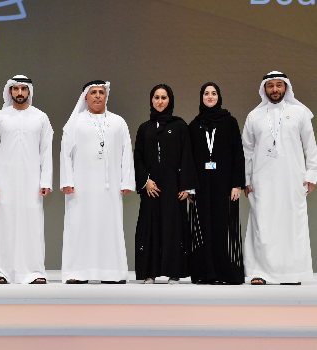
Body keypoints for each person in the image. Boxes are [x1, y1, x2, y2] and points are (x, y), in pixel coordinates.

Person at [242, 71, 317, 285]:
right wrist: (246, 179)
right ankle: (260, 273)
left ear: (286, 88)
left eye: (279, 85)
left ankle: (292, 274)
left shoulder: (300, 112)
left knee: (292, 223)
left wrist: (311, 174)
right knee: (262, 223)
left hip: (293, 178)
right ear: (264, 89)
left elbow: (310, 146)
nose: (275, 89)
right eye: (271, 86)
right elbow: (246, 150)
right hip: (262, 180)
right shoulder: (254, 116)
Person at [60, 80, 135, 284]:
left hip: (109, 187)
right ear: (86, 96)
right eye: (93, 92)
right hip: (80, 188)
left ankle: (111, 273)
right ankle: (78, 273)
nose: (97, 96)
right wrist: (67, 180)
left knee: (109, 226)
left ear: (106, 96)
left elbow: (126, 151)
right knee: (79, 226)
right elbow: (65, 153)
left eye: (101, 92)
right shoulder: (75, 122)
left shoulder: (118, 121)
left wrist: (126, 181)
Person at [0, 75, 53, 284]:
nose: (20, 93)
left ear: (29, 92)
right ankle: (1, 271)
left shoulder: (41, 117)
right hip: (4, 181)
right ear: (10, 92)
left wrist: (45, 181)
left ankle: (34, 272)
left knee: (32, 225)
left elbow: (46, 151)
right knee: (2, 223)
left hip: (32, 182)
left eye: (24, 89)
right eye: (16, 89)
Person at [133, 84, 197, 284]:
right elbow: (138, 158)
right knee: (150, 227)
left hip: (173, 186)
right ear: (151, 100)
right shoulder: (145, 128)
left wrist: (186, 187)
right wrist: (145, 182)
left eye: (164, 97)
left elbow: (187, 156)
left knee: (173, 227)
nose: (160, 101)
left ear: (170, 100)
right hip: (151, 187)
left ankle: (173, 272)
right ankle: (149, 273)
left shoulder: (179, 126)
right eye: (156, 97)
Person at [188, 82, 245, 285]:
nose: (210, 97)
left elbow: (238, 154)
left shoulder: (230, 122)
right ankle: (206, 272)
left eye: (213, 93)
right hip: (202, 185)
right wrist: (191, 188)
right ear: (201, 97)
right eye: (206, 93)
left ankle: (225, 272)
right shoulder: (194, 125)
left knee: (223, 227)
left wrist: (237, 184)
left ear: (219, 97)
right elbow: (189, 158)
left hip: (224, 184)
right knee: (204, 227)